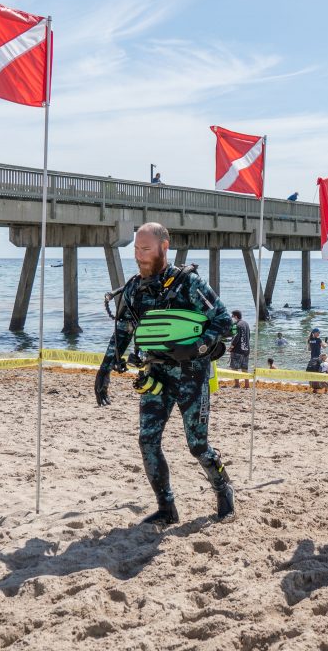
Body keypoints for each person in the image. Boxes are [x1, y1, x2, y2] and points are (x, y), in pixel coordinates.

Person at [94, 222, 235, 526]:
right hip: (155, 375)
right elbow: (122, 331)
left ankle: (223, 489)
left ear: (164, 247)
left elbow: (225, 322)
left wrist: (198, 348)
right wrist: (104, 369)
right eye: (136, 249)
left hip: (192, 376)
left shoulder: (189, 284)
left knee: (197, 446)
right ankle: (166, 507)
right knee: (147, 441)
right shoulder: (134, 288)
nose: (139, 256)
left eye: (145, 249)